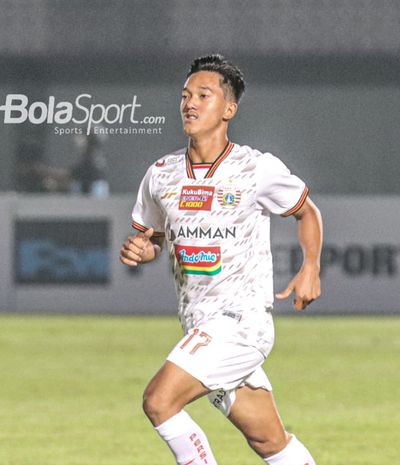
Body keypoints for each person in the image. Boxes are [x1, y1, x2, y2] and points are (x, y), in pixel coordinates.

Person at [119, 54, 323, 465]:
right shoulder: (162, 174)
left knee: (159, 401)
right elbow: (155, 237)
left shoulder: (255, 168)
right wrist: (144, 249)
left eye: (203, 95)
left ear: (229, 108)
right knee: (269, 440)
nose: (190, 104)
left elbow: (307, 211)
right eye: (185, 95)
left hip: (239, 324)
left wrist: (310, 267)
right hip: (197, 324)